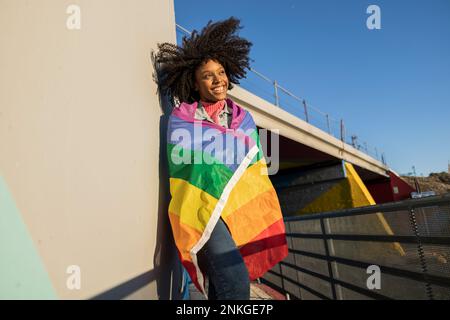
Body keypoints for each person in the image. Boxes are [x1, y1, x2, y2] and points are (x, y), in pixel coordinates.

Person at [155, 17, 288, 300]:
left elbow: (254, 166)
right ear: (194, 83)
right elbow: (185, 166)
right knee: (235, 279)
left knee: (220, 285)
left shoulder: (243, 118)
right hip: (203, 209)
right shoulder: (183, 119)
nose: (218, 80)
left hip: (237, 207)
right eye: (207, 75)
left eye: (221, 72)